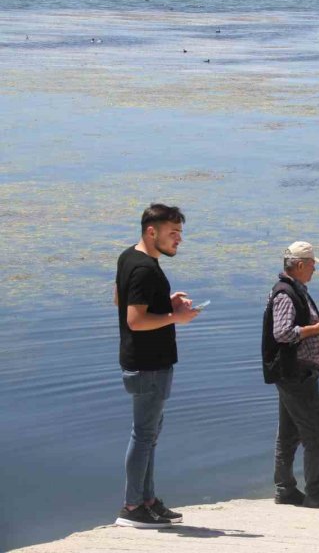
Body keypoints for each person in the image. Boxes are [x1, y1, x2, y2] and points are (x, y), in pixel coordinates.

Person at [114, 203, 200, 528]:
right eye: (173, 233)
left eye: (180, 232)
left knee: (149, 435)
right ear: (152, 232)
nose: (179, 239)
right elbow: (135, 320)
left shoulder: (129, 257)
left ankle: (148, 500)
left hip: (146, 363)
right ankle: (132, 507)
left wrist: (166, 303)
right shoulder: (144, 269)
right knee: (143, 435)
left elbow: (120, 299)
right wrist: (175, 317)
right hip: (148, 365)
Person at [261, 241, 319, 509]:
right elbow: (282, 333)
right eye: (313, 264)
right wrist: (316, 329)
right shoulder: (286, 293)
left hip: (294, 373)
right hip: (296, 374)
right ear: (301, 265)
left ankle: (285, 489)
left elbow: (293, 324)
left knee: (289, 433)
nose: (315, 269)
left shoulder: (294, 290)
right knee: (318, 432)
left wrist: (315, 321)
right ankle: (314, 492)